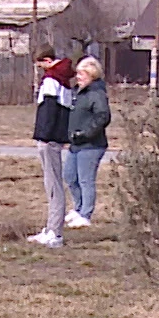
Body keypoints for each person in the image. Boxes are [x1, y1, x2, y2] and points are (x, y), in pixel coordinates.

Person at [27, 46, 75, 248]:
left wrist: (43, 137)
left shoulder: (50, 80)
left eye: (40, 65)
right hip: (57, 137)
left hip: (49, 139)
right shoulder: (64, 80)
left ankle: (55, 232)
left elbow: (48, 111)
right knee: (53, 184)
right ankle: (51, 228)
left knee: (53, 185)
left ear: (47, 61)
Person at [64, 57, 111, 228]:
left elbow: (102, 117)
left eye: (81, 74)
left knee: (85, 180)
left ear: (91, 74)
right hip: (75, 143)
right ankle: (77, 208)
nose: (78, 77)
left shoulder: (96, 93)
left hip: (92, 145)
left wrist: (85, 134)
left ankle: (86, 214)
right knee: (69, 176)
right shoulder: (77, 92)